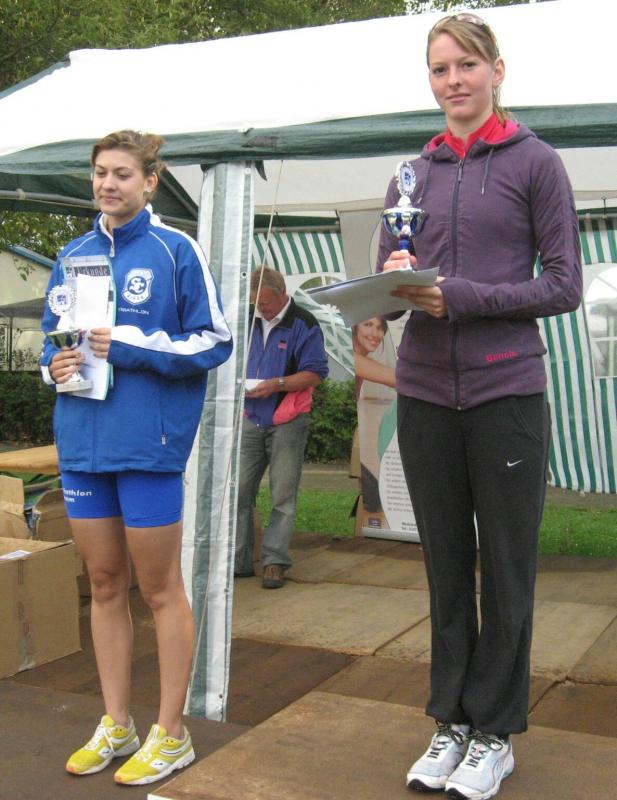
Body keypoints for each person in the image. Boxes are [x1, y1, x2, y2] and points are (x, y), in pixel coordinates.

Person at [376, 14, 582, 800]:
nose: (452, 80)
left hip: (505, 392)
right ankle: (451, 720)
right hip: (425, 392)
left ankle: (494, 731)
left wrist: (461, 297)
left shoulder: (535, 162)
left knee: (505, 568)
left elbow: (562, 284)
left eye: (465, 65)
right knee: (441, 567)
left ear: (497, 70)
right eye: (439, 69)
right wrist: (380, 295)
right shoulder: (410, 172)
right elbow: (391, 276)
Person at [40, 130, 232, 786]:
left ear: (150, 182)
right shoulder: (73, 255)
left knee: (158, 589)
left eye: (122, 173)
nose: (108, 184)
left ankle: (171, 733)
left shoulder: (176, 250)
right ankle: (116, 722)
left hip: (147, 447)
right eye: (100, 173)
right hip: (83, 443)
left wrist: (128, 343)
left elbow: (213, 342)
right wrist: (53, 364)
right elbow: (51, 341)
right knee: (102, 584)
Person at [235, 266, 328, 589]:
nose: (261, 309)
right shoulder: (247, 320)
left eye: (266, 303)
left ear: (282, 293)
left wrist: (276, 384)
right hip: (249, 417)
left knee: (282, 495)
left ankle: (274, 561)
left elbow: (316, 373)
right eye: (256, 303)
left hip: (288, 420)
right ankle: (239, 560)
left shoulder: (304, 323)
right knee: (239, 492)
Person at [352, 316, 396, 397]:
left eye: (380, 328)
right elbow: (399, 379)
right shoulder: (354, 360)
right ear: (354, 327)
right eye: (367, 325)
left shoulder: (363, 359)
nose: (375, 334)